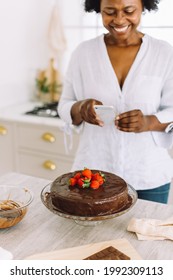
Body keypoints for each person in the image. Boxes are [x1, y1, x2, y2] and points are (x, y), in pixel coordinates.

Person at [58, 0, 173, 204]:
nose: (119, 20)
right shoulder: (83, 53)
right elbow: (64, 104)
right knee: (92, 234)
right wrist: (79, 108)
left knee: (146, 234)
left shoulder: (164, 53)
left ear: (143, 8)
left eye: (129, 11)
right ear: (98, 10)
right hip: (94, 173)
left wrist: (149, 122)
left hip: (149, 174)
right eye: (109, 12)